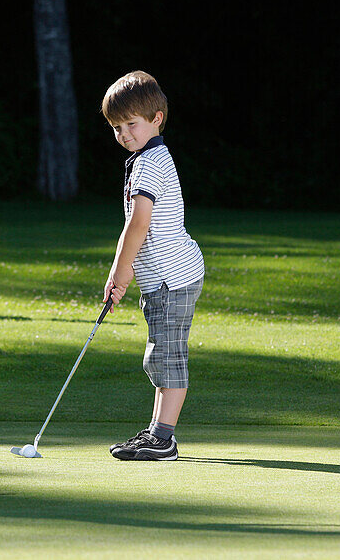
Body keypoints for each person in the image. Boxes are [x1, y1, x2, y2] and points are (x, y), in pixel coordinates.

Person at [100, 71, 204, 461]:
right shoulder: (147, 159)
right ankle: (158, 434)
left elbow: (138, 224)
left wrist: (119, 271)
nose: (123, 134)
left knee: (166, 355)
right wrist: (126, 272)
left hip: (173, 277)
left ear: (156, 119)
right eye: (116, 127)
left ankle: (164, 439)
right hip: (164, 279)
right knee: (161, 353)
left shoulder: (150, 164)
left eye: (131, 124)